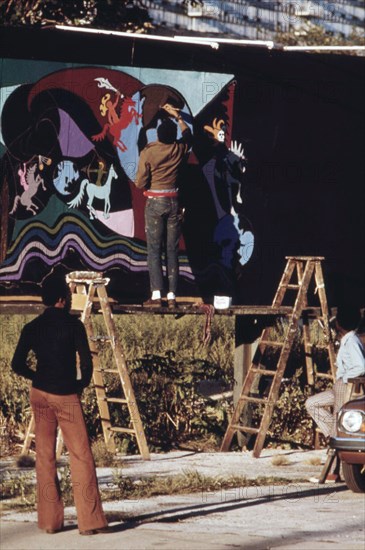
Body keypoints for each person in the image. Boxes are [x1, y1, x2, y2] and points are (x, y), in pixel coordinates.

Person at [11, 276, 108, 536]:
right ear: (62, 299)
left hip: (40, 394)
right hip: (65, 394)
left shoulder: (32, 327)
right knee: (81, 455)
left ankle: (50, 522)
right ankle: (89, 523)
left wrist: (38, 378)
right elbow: (86, 363)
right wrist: (80, 385)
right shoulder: (73, 325)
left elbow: (17, 364)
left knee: (44, 456)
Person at [135, 102, 193, 309]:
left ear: (158, 135)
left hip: (155, 202)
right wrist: (178, 117)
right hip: (174, 202)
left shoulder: (149, 152)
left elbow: (139, 182)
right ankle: (171, 296)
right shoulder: (179, 148)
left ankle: (156, 294)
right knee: (172, 250)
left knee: (154, 249)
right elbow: (189, 137)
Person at [305, 306, 365, 442]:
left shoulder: (351, 341)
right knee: (312, 403)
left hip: (345, 386)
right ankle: (333, 436)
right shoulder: (347, 340)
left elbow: (361, 366)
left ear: (339, 324)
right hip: (339, 386)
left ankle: (336, 445)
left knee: (339, 416)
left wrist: (345, 379)